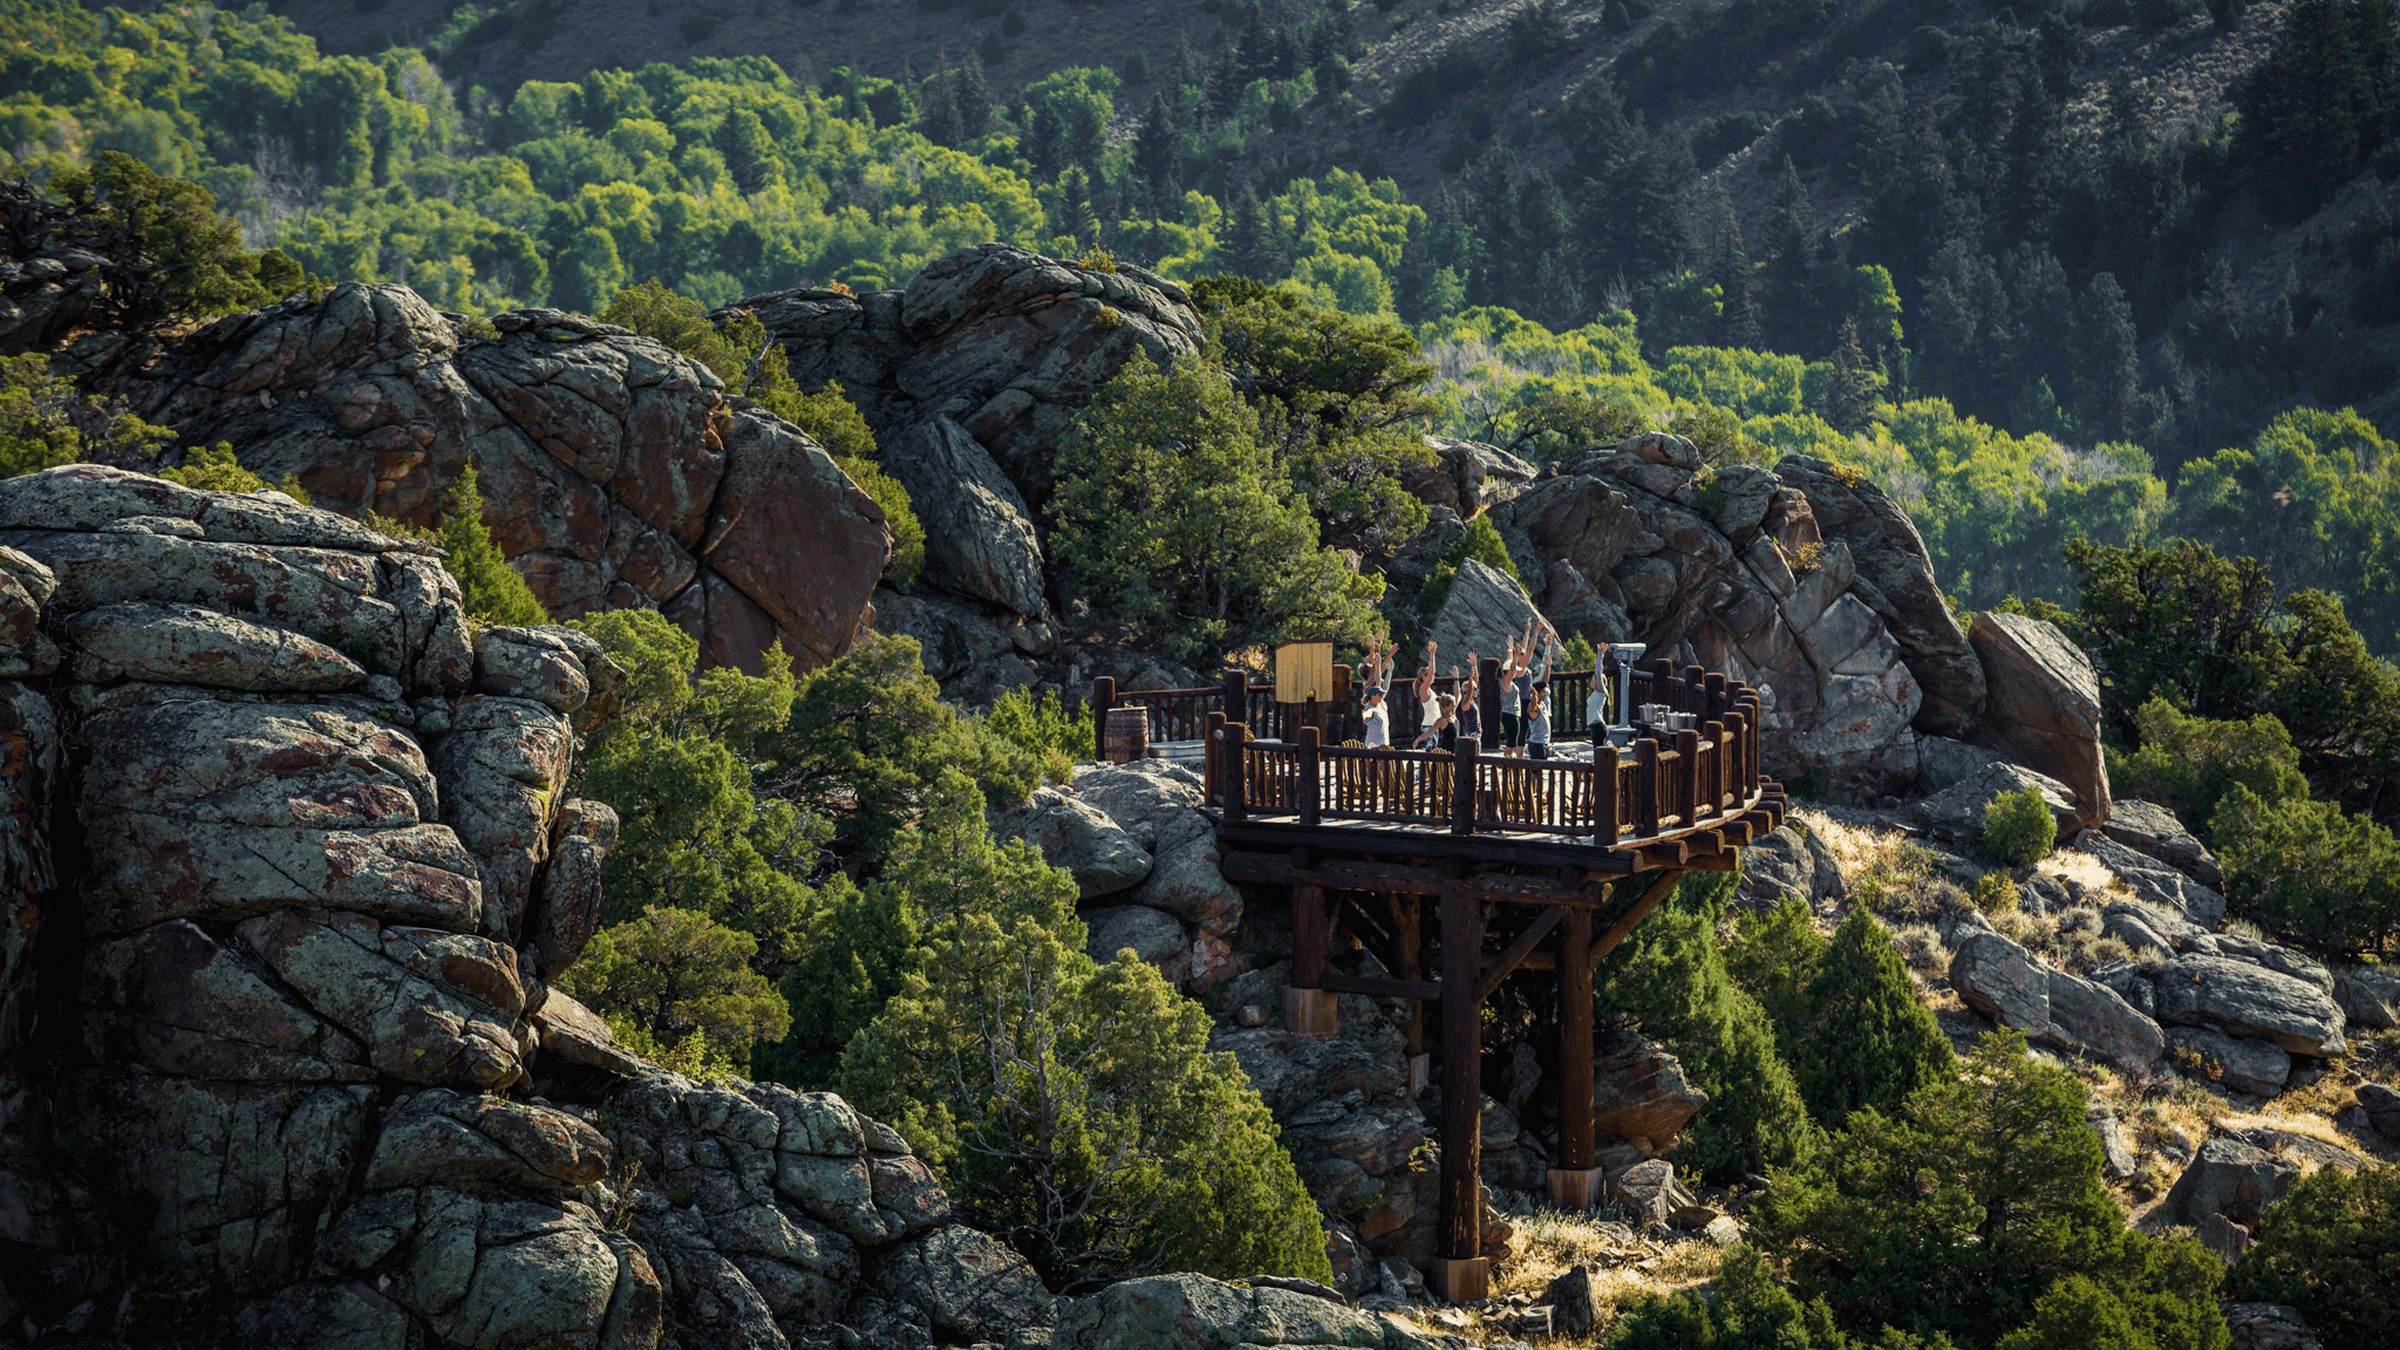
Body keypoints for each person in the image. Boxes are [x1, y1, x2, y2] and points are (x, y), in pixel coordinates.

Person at [1525, 685, 1552, 761]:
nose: (1545, 694)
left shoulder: (1542, 705)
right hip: (1537, 745)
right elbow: (1533, 709)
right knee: (1536, 771)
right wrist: (1534, 694)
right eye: (1543, 692)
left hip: (1544, 743)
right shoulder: (1533, 708)